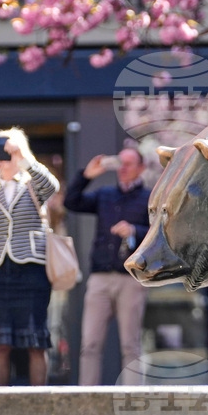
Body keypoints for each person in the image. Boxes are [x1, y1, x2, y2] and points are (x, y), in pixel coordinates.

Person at [0, 128, 59, 386]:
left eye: (9, 152)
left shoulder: (31, 183)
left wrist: (24, 158)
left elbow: (52, 187)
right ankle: (0, 401)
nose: (5, 157)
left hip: (31, 269)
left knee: (35, 341)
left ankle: (40, 400)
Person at [65, 147, 151, 385]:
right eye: (120, 163)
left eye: (129, 164)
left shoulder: (150, 198)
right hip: (100, 278)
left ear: (141, 168)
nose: (123, 168)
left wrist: (134, 231)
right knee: (90, 344)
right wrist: (86, 176)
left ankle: (132, 397)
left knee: (130, 345)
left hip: (131, 279)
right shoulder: (105, 194)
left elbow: (162, 234)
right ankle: (87, 397)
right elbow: (71, 202)